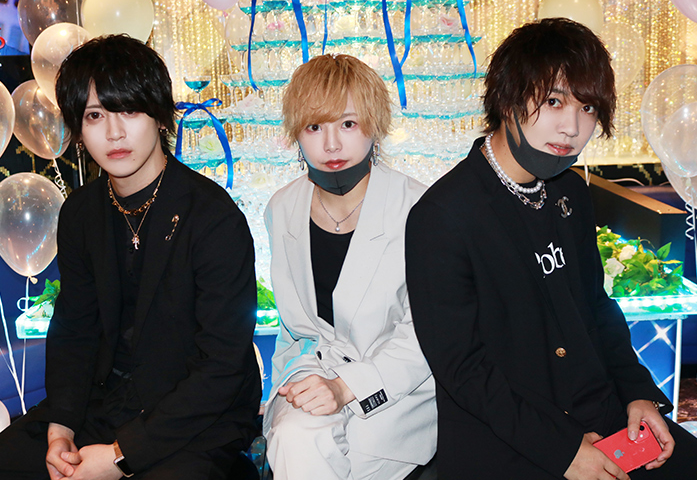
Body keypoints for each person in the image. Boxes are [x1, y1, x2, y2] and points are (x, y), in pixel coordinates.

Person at [405, 18, 697, 480]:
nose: (572, 127)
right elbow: (463, 369)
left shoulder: (570, 191)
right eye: (554, 101)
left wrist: (638, 393)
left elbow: (597, 307)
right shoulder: (442, 215)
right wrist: (563, 451)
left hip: (602, 415)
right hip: (512, 441)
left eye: (588, 108)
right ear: (507, 97)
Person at [0, 34, 262, 480]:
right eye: (95, 115)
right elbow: (75, 328)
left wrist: (122, 456)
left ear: (159, 115)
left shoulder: (213, 218)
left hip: (195, 415)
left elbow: (222, 365)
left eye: (129, 110)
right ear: (77, 128)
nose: (114, 133)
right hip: (105, 401)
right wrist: (61, 428)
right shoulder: (81, 212)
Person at [263, 53, 437, 480]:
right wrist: (312, 384)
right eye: (314, 127)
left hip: (395, 391)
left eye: (347, 124)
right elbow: (297, 330)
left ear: (374, 126)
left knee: (335, 458)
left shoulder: (420, 209)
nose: (331, 145)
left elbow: (427, 335)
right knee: (294, 438)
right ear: (295, 134)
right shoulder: (281, 208)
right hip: (311, 376)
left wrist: (345, 388)